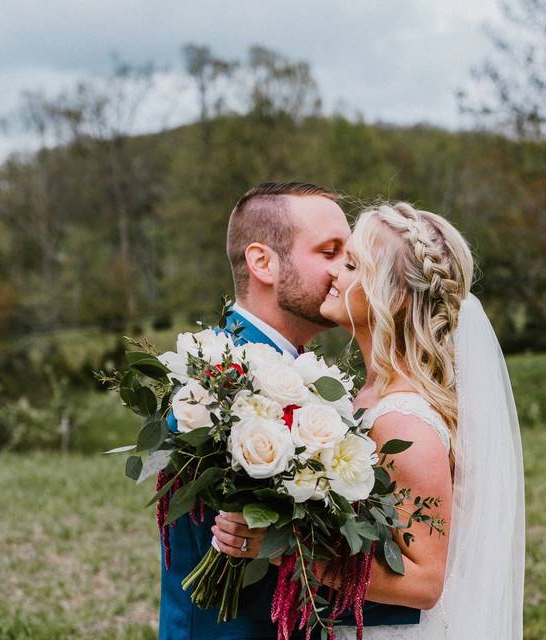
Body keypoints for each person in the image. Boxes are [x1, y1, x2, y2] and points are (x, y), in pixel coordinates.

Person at [213, 201, 526, 639]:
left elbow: (424, 582)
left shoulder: (405, 423)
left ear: (392, 297)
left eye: (354, 264)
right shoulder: (365, 397)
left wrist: (290, 551)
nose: (336, 273)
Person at [161, 183, 425, 639]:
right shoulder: (210, 392)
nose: (346, 266)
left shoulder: (307, 378)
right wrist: (418, 593)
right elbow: (254, 576)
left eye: (352, 253)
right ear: (262, 262)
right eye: (330, 251)